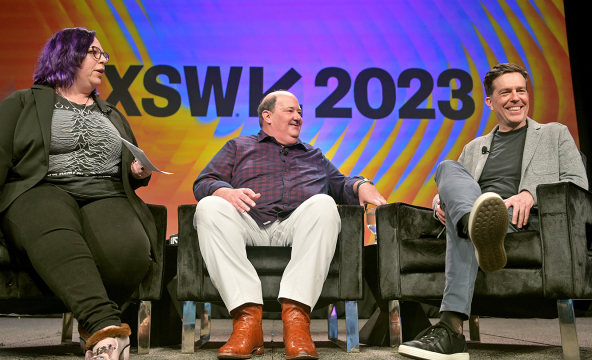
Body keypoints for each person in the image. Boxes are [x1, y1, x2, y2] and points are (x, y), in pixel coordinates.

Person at [0, 27, 156, 360]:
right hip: (40, 188)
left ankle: (89, 319)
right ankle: (104, 326)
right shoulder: (24, 101)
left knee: (131, 254)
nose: (103, 61)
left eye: (104, 54)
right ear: (67, 55)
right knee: (51, 218)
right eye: (94, 52)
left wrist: (135, 171)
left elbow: (126, 160)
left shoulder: (111, 113)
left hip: (105, 193)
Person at [398, 63, 588, 360]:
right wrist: (438, 204)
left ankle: (451, 329)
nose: (516, 98)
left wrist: (531, 194)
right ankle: (471, 224)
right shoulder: (475, 147)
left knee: (471, 217)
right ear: (490, 101)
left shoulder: (554, 134)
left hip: (522, 220)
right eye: (506, 92)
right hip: (481, 214)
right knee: (447, 167)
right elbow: (454, 187)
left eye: (521, 90)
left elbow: (579, 186)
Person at [193, 90, 387, 359]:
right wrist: (225, 192)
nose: (298, 117)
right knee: (209, 206)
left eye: (300, 112)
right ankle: (247, 322)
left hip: (294, 229)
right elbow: (204, 182)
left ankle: (296, 321)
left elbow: (341, 185)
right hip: (249, 223)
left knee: (323, 204)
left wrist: (361, 184)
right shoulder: (238, 147)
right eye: (290, 111)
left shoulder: (314, 156)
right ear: (267, 116)